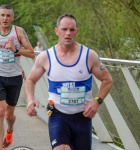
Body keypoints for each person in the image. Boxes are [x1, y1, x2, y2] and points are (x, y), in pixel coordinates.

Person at [25, 13, 112, 150]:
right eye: (64, 29)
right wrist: (30, 100)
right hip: (57, 114)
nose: (68, 33)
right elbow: (30, 80)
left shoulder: (89, 56)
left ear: (77, 32)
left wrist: (96, 102)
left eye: (72, 30)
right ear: (56, 31)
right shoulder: (46, 57)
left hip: (82, 117)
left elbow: (107, 80)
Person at [0, 4, 34, 150]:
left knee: (9, 115)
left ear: (12, 18)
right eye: (2, 15)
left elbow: (31, 53)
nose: (5, 18)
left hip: (14, 77)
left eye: (8, 15)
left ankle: (10, 130)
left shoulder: (18, 31)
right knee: (1, 112)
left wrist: (16, 49)